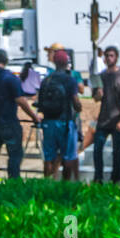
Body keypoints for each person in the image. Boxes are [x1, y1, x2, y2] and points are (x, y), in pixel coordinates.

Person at [0, 49, 40, 181]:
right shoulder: (10, 78)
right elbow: (20, 101)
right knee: (15, 154)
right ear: (6, 61)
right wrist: (34, 117)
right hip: (8, 122)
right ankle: (13, 182)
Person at [36, 49, 82, 180]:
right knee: (68, 156)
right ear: (66, 63)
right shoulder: (70, 80)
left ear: (54, 62)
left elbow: (40, 101)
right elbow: (76, 103)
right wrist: (78, 108)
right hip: (65, 122)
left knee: (49, 157)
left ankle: (47, 184)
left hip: (48, 123)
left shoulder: (46, 80)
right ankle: (65, 185)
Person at [90, 46, 120, 184]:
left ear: (117, 57)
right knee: (97, 149)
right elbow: (95, 99)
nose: (109, 58)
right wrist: (98, 94)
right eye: (107, 56)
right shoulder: (101, 76)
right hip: (103, 119)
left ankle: (116, 178)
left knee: (117, 152)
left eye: (111, 55)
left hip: (117, 118)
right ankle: (98, 177)